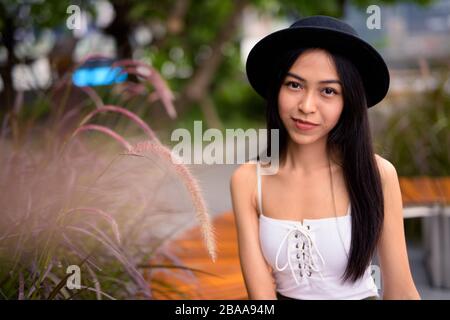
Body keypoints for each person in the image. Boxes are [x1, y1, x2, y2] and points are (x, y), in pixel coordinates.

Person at [230, 15, 420, 300]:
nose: (306, 106)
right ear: (277, 89)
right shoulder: (248, 180)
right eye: (294, 85)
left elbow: (402, 292)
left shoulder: (377, 174)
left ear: (349, 102)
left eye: (328, 91)